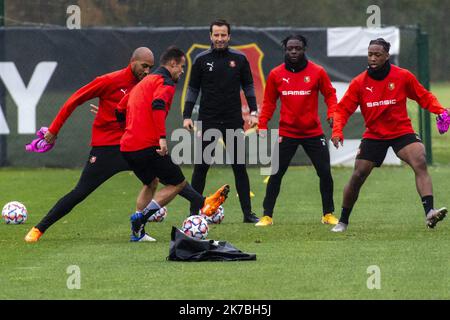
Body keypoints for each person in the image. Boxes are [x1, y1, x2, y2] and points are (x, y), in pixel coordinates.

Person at [24, 47, 204, 243]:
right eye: (144, 66)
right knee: (81, 192)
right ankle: (38, 229)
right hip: (107, 148)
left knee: (161, 179)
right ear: (132, 61)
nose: (146, 71)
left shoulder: (148, 83)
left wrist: (112, 116)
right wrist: (53, 130)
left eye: (150, 68)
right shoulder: (109, 80)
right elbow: (74, 100)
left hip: (134, 144)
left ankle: (141, 231)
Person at [330, 38, 448, 232]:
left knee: (419, 159)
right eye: (370, 54)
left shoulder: (403, 76)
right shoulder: (359, 82)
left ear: (387, 56)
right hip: (374, 134)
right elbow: (342, 110)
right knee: (358, 175)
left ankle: (429, 212)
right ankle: (343, 220)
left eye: (377, 54)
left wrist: (440, 111)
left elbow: (423, 96)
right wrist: (337, 130)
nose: (373, 58)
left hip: (400, 130)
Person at [118, 46, 229, 242]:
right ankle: (141, 217)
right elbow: (158, 105)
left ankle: (138, 233)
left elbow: (120, 109)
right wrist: (161, 137)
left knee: (151, 182)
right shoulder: (165, 82)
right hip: (148, 144)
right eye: (182, 67)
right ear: (173, 64)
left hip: (128, 146)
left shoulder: (144, 83)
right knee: (177, 183)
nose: (182, 71)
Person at [255, 34, 338, 227]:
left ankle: (328, 214)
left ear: (304, 49)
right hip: (287, 133)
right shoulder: (276, 74)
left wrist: (332, 113)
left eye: (297, 48)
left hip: (313, 132)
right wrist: (262, 124)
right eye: (290, 48)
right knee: (275, 173)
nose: (293, 51)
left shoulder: (317, 72)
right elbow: (268, 103)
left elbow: (330, 95)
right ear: (285, 50)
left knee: (325, 172)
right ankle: (267, 216)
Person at [183, 19, 259, 223]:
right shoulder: (201, 59)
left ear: (229, 36)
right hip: (208, 120)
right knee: (201, 167)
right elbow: (192, 89)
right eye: (216, 35)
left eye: (223, 35)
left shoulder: (240, 59)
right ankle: (193, 212)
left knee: (239, 166)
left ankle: (247, 214)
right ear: (210, 36)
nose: (219, 38)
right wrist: (187, 116)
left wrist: (253, 111)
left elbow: (249, 87)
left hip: (233, 120)